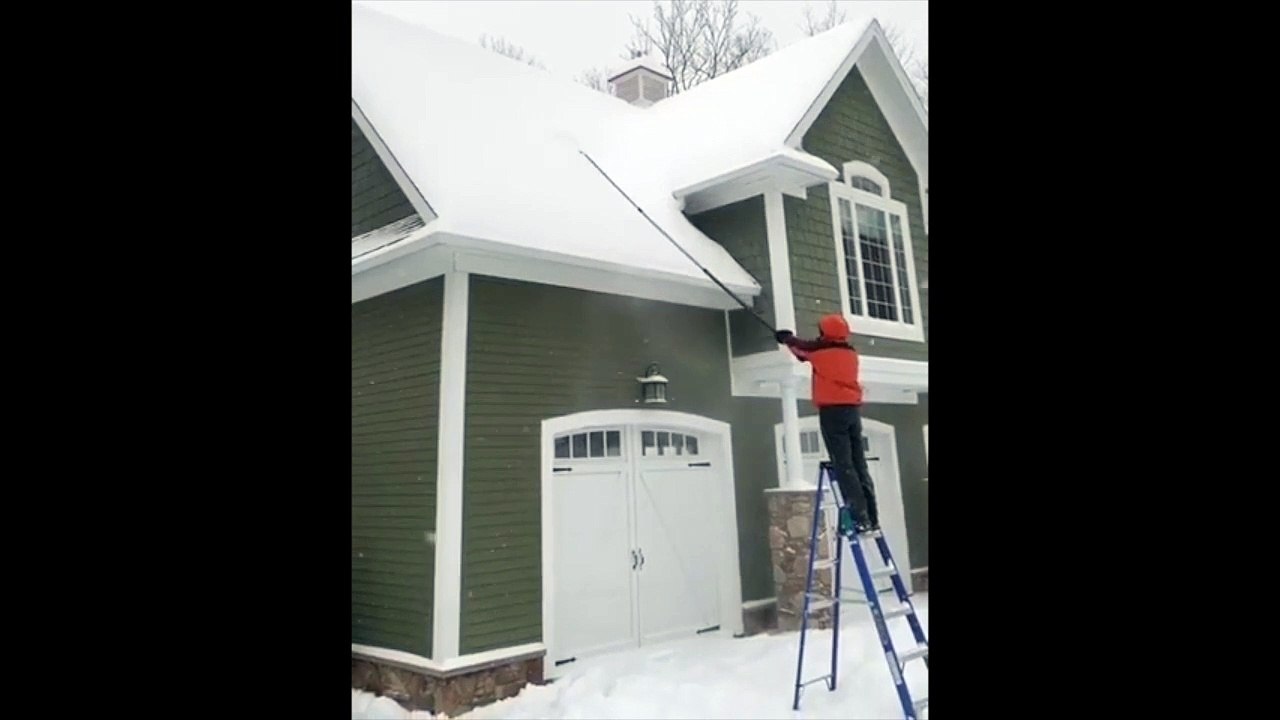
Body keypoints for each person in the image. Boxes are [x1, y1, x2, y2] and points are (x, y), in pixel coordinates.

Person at [775, 314, 880, 536]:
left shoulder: (823, 352)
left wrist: (787, 339)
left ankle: (858, 516)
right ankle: (871, 516)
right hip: (852, 411)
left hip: (833, 412)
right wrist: (791, 341)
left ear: (826, 333)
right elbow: (808, 350)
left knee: (844, 464)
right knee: (858, 463)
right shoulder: (850, 353)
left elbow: (803, 351)